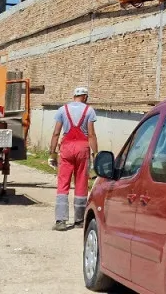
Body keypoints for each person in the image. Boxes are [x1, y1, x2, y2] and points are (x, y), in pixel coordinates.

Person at [48, 86, 98, 231]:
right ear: (85, 97)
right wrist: (95, 154)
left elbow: (56, 133)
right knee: (81, 183)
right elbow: (91, 135)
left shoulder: (62, 110)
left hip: (66, 148)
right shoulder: (89, 110)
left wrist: (52, 153)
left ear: (74, 96)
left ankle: (61, 221)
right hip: (82, 149)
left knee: (63, 183)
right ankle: (79, 220)